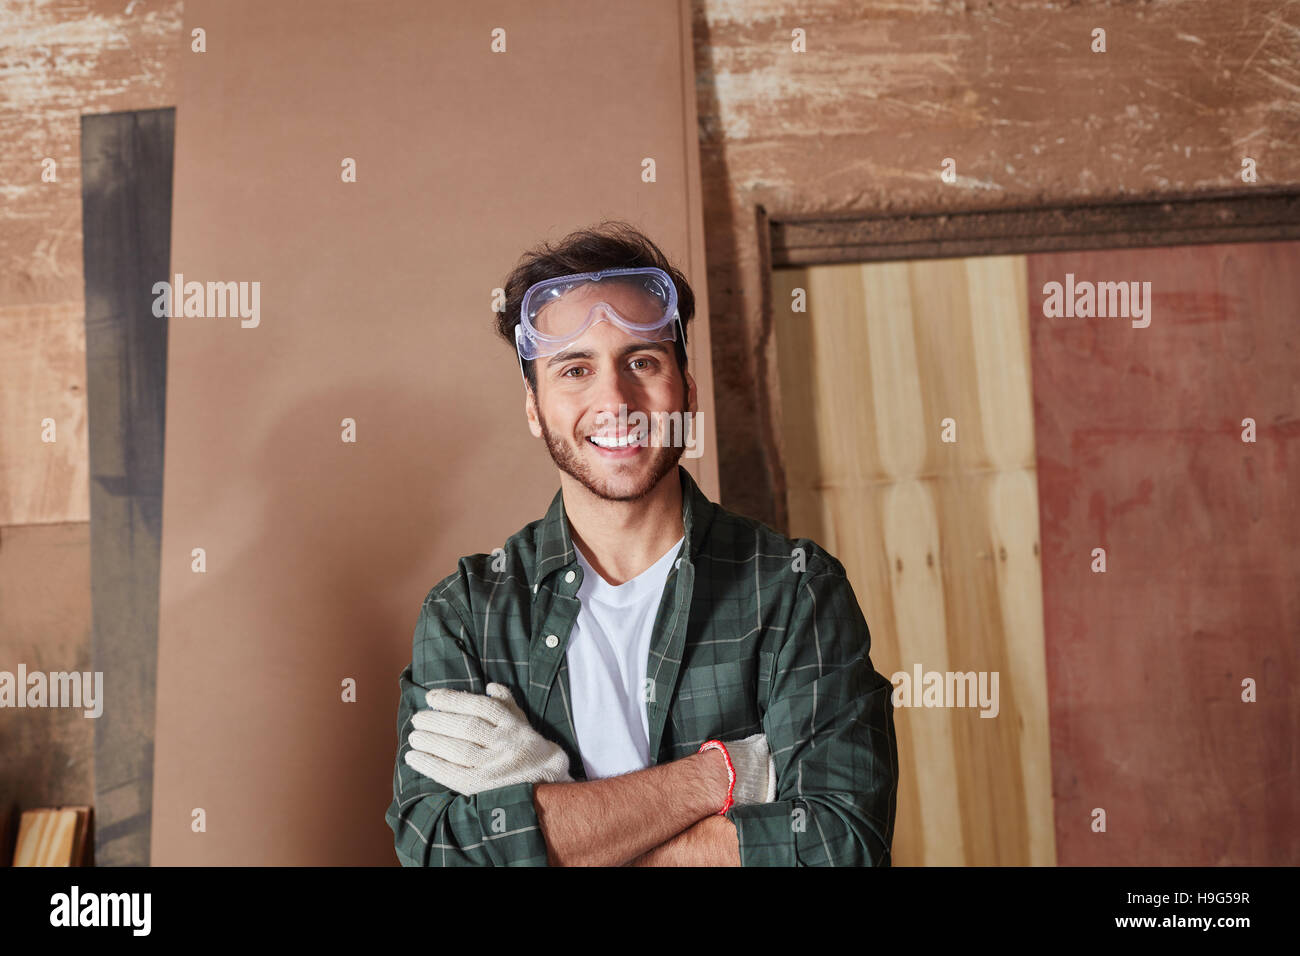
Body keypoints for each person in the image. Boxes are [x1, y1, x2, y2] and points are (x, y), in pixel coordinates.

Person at [385, 221, 898, 866]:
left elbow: (839, 845)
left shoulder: (794, 588)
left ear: (686, 387)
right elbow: (438, 852)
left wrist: (560, 827)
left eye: (643, 362)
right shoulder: (469, 614)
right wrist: (719, 776)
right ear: (534, 407)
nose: (614, 399)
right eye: (575, 369)